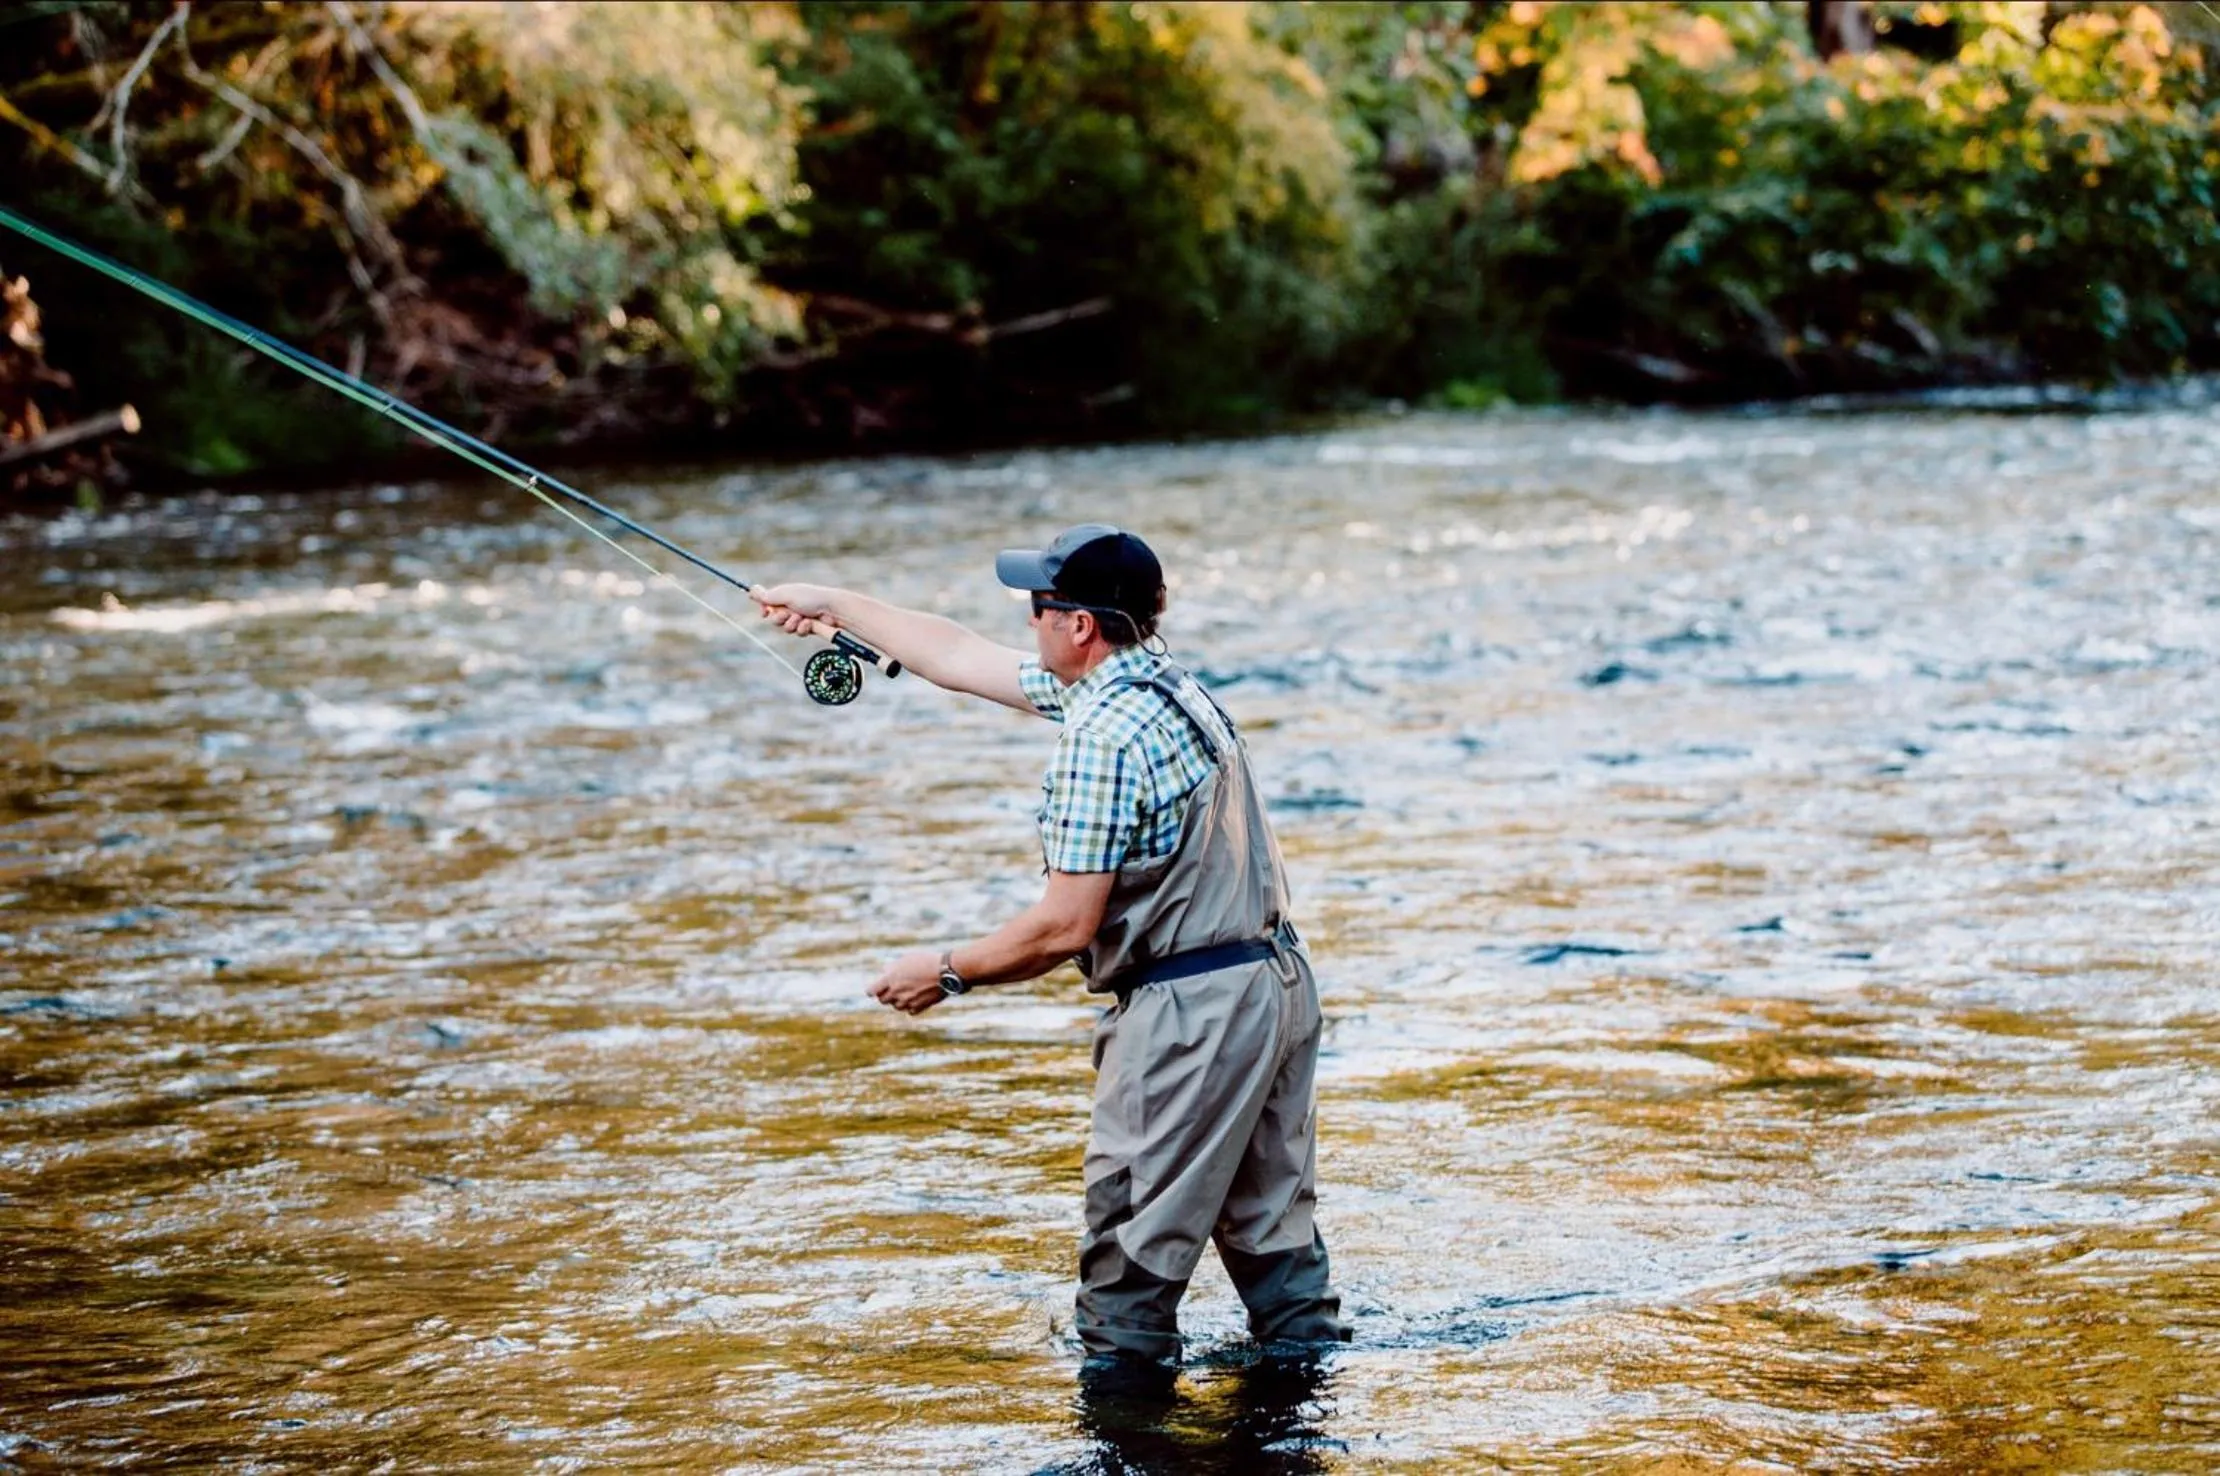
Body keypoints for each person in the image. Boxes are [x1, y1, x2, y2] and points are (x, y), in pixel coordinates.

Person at [752, 524, 1349, 1375]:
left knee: (1129, 1252)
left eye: (1039, 606)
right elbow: (958, 655)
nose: (1028, 621)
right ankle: (1307, 1427)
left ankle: (1124, 1439)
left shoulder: (1100, 736)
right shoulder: (1161, 685)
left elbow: (1063, 925)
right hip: (1273, 984)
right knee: (1270, 1231)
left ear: (1078, 627)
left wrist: (946, 971)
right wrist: (836, 604)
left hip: (1190, 1017)